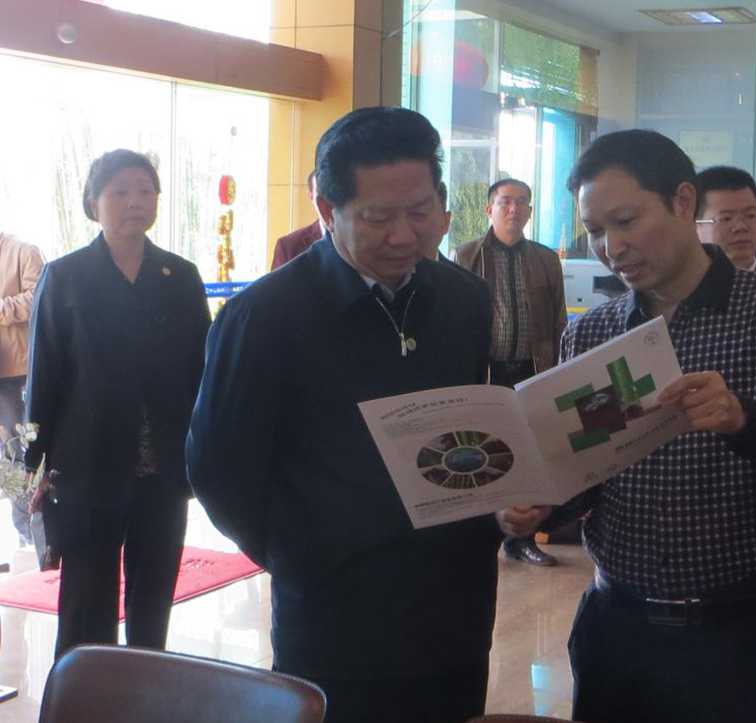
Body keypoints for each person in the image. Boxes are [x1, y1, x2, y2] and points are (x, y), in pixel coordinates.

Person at [499, 129, 756, 723]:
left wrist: (745, 418)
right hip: (617, 629)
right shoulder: (591, 334)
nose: (611, 247)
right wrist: (538, 505)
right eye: (595, 230)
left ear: (683, 202)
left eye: (626, 221)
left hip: (739, 636)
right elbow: (587, 475)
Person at [187, 107, 500, 723]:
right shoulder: (265, 317)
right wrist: (304, 555)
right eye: (378, 218)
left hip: (456, 610)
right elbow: (219, 471)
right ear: (327, 210)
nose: (404, 236)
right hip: (336, 621)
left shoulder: (464, 300)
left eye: (420, 212)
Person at [24, 149, 211, 658]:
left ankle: (145, 683)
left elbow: (203, 371)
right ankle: (84, 690)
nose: (135, 202)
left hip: (163, 466)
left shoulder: (180, 275)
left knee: (154, 590)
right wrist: (33, 463)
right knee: (87, 595)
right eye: (120, 192)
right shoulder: (66, 276)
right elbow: (45, 376)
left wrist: (206, 451)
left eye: (146, 191)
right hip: (87, 463)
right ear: (94, 202)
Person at [455, 178, 567, 567]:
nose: (513, 209)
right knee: (486, 455)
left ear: (530, 211)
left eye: (521, 202)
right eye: (505, 202)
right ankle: (485, 534)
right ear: (489, 209)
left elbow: (559, 320)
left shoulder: (545, 259)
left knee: (530, 457)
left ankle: (522, 540)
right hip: (487, 373)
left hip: (532, 372)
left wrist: (559, 372)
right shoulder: (466, 255)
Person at [0, 230, 44, 547]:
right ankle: (25, 532)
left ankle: (33, 532)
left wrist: (2, 308)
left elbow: (39, 297)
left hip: (18, 372)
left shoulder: (24, 251)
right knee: (7, 456)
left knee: (22, 451)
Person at [694, 165, 756, 272]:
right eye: (726, 218)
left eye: (750, 216)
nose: (741, 227)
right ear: (694, 225)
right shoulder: (678, 280)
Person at [270, 170, 323, 270]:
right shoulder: (288, 247)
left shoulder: (353, 240)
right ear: (311, 196)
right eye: (321, 193)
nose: (328, 199)